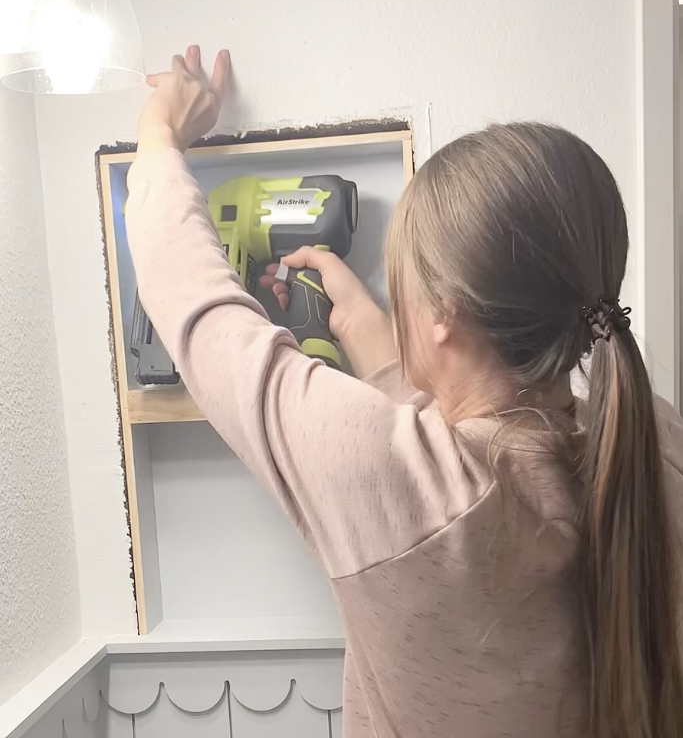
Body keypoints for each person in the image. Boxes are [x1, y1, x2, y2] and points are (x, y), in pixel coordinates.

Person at [125, 45, 683, 738]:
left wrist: (158, 133)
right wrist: (371, 333)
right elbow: (455, 453)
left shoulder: (391, 479)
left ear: (445, 312)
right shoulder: (652, 441)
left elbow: (202, 314)